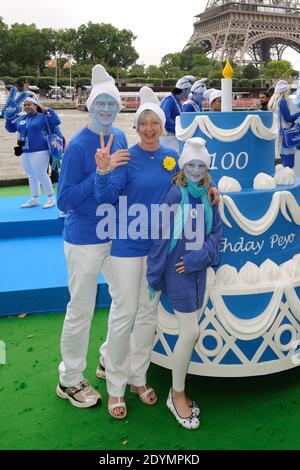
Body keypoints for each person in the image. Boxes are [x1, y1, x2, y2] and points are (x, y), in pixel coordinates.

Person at [94, 86, 179, 419]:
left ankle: (137, 378)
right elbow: (106, 197)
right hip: (128, 248)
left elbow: (190, 183)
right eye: (143, 122)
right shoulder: (125, 157)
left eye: (153, 122)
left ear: (161, 125)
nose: (148, 128)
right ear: (137, 126)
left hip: (158, 248)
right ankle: (115, 385)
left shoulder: (171, 158)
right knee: (124, 314)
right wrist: (103, 168)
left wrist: (211, 186)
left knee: (147, 315)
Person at [56, 64, 130, 408]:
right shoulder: (77, 147)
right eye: (100, 103)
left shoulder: (123, 137)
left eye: (111, 104)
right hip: (83, 238)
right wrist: (101, 169)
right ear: (89, 104)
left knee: (125, 299)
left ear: (119, 107)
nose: (105, 109)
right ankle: (69, 379)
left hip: (115, 236)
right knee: (81, 308)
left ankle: (106, 359)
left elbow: (119, 188)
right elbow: (64, 199)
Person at [147, 137, 222, 430]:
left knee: (190, 331)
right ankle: (176, 394)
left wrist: (198, 259)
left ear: (206, 167)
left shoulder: (208, 196)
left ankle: (178, 390)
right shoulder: (174, 196)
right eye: (190, 164)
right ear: (182, 166)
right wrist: (155, 276)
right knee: (190, 331)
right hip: (176, 272)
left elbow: (216, 236)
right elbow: (160, 239)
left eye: (200, 165)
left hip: (196, 272)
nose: (194, 169)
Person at [5, 93, 60, 208]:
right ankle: (34, 198)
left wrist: (49, 110)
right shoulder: (21, 118)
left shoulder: (42, 116)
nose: (26, 107)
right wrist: (8, 118)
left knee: (41, 174)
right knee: (31, 175)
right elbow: (10, 129)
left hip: (40, 150)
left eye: (29, 104)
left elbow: (56, 122)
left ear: (35, 105)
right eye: (25, 105)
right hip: (24, 151)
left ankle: (50, 198)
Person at [268, 80, 300, 168]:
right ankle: (288, 179)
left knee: (284, 162)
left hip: (279, 134)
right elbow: (288, 118)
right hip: (286, 134)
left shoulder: (274, 102)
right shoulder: (282, 102)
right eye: (288, 91)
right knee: (289, 164)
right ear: (284, 91)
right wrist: (298, 113)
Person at [160, 75, 196, 151]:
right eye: (188, 91)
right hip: (168, 137)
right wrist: (178, 130)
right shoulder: (169, 99)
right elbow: (166, 119)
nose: (189, 94)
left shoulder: (176, 100)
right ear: (184, 90)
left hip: (173, 136)